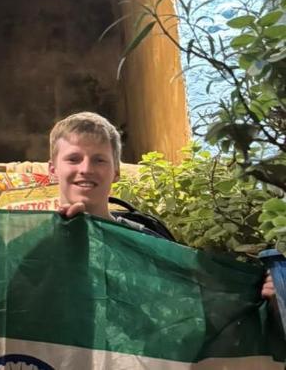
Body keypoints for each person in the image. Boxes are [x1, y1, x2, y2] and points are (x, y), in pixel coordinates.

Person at [48, 111, 275, 302]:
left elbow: (195, 303)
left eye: (99, 160)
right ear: (52, 170)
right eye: (73, 159)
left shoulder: (146, 241)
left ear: (116, 172)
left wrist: (261, 293)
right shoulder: (36, 243)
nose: (86, 169)